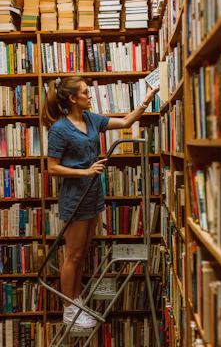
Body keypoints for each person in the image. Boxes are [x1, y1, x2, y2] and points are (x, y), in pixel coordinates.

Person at [42, 76, 159, 328]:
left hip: (94, 194)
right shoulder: (59, 129)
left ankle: (77, 300)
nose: (90, 95)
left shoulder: (91, 119)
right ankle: (68, 310)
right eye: (86, 92)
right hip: (75, 197)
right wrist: (84, 172)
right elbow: (52, 168)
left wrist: (146, 101)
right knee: (72, 255)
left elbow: (127, 121)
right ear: (73, 98)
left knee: (82, 253)